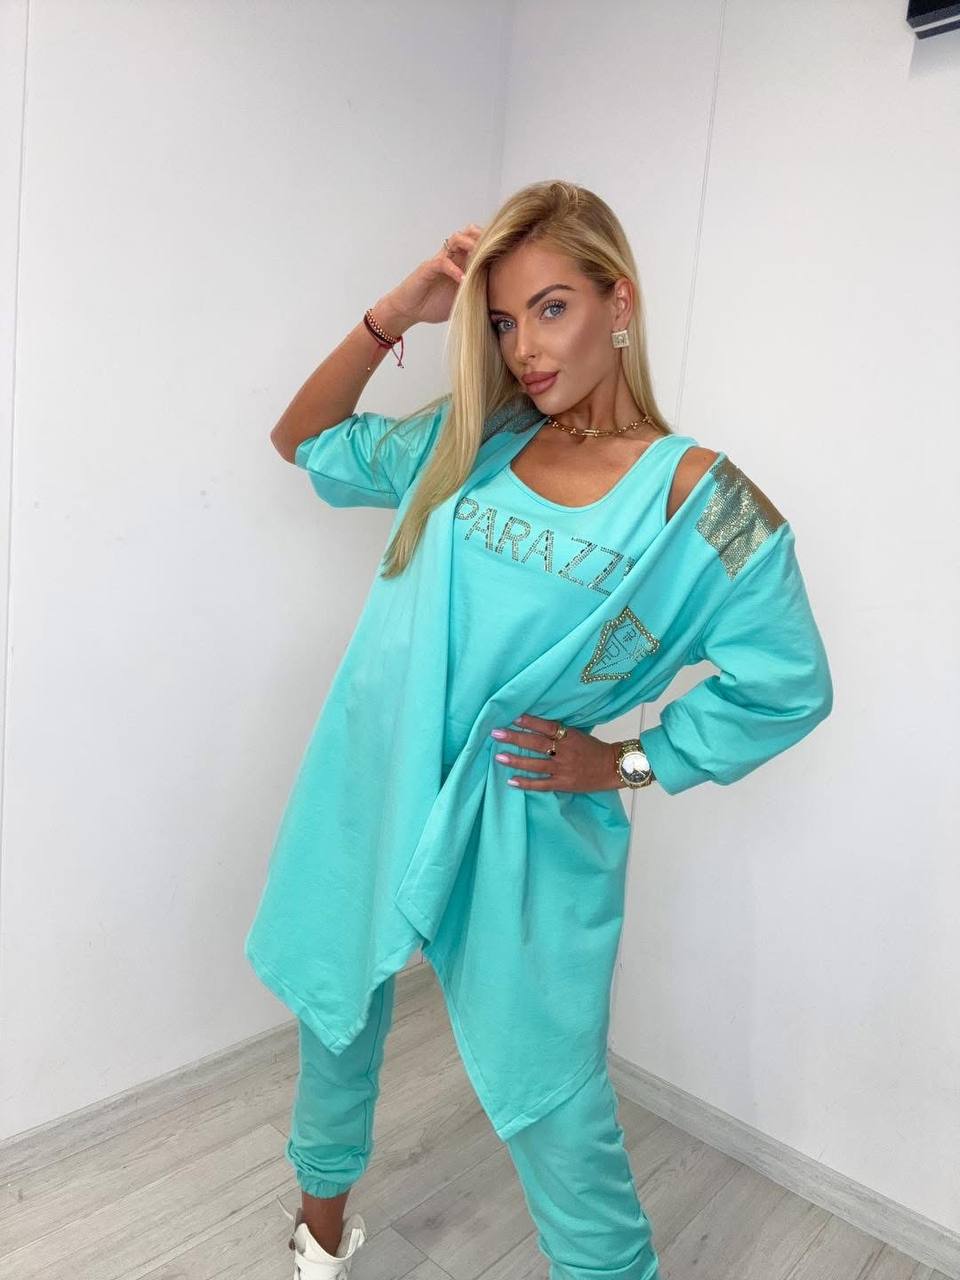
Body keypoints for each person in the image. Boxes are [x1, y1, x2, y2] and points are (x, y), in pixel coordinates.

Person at [247, 180, 834, 1280]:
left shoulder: (700, 499)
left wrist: (628, 759)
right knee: (338, 1008)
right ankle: (319, 1234)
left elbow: (789, 682)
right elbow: (303, 439)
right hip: (379, 771)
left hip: (523, 804)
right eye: (504, 319)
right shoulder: (469, 439)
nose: (525, 347)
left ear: (621, 302)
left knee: (555, 1098)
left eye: (553, 308)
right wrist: (400, 310)